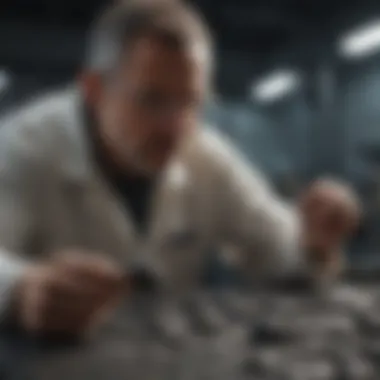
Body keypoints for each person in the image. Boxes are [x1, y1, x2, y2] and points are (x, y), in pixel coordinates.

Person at [0, 0, 359, 340]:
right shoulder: (23, 149)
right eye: (152, 100)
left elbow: (280, 254)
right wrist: (19, 290)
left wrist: (316, 243)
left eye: (191, 103)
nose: (175, 128)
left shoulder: (206, 159)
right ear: (94, 89)